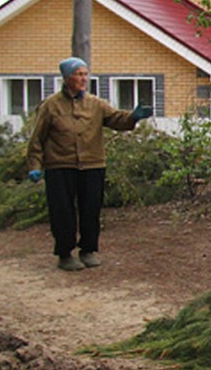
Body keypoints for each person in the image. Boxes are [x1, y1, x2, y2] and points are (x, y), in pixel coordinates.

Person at [26, 57, 153, 271]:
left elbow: (116, 119)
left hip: (92, 165)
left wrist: (133, 117)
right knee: (62, 212)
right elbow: (37, 138)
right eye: (79, 74)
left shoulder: (96, 104)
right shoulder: (50, 106)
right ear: (67, 78)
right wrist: (35, 166)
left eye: (86, 74)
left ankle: (88, 250)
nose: (84, 78)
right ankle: (65, 254)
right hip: (60, 165)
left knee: (91, 210)